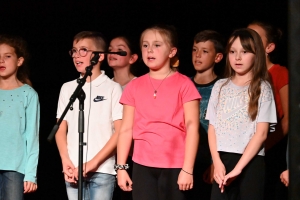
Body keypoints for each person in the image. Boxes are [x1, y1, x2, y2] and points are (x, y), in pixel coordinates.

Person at [116, 24, 201, 200]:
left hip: (175, 164)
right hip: (142, 165)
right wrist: (121, 168)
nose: (150, 50)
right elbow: (125, 129)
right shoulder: (134, 86)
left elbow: (192, 127)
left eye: (157, 45)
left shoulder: (184, 84)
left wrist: (188, 169)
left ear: (172, 51)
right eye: (145, 45)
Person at [206, 28, 277, 200]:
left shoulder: (262, 87)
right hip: (222, 161)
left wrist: (238, 168)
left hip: (250, 163)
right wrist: (216, 162)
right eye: (232, 52)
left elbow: (261, 134)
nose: (237, 57)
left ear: (256, 54)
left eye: (244, 52)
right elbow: (212, 128)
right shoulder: (220, 86)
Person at [55, 31, 123, 200]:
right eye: (74, 51)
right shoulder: (67, 88)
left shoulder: (112, 88)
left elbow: (120, 132)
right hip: (73, 169)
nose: (77, 55)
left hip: (102, 170)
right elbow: (60, 127)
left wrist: (93, 163)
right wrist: (65, 160)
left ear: (99, 56)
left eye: (83, 50)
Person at [248, 21, 289, 199]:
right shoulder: (243, 74)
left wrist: (264, 146)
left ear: (269, 47)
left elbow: (288, 118)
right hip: (245, 147)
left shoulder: (280, 72)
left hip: (270, 148)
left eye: (255, 38)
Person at [0, 34, 40, 200]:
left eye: (7, 56)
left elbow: (32, 137)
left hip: (15, 168)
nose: (1, 61)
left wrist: (30, 174)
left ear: (19, 61)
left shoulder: (28, 94)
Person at [187, 30, 224, 200]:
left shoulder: (223, 87)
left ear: (217, 57)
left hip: (209, 162)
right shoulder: (183, 84)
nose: (198, 55)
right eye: (195, 50)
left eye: (205, 51)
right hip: (185, 161)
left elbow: (224, 131)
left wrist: (214, 163)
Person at [107, 36, 139, 200]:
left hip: (132, 157)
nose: (112, 52)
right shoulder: (104, 85)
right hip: (106, 158)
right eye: (110, 49)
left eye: (119, 49)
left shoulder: (140, 85)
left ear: (132, 58)